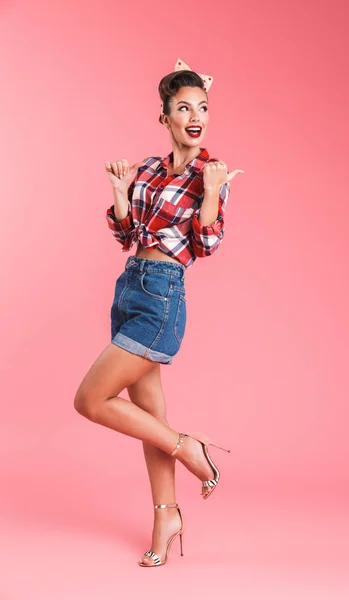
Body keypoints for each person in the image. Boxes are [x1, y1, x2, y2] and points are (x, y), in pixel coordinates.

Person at [73, 63, 244, 567]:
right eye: (184, 108)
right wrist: (121, 195)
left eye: (203, 107)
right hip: (129, 288)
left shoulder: (209, 174)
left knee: (90, 399)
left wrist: (212, 192)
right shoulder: (149, 168)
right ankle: (166, 513)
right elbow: (128, 238)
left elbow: (206, 244)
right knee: (149, 419)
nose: (196, 117)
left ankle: (190, 448)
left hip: (163, 295)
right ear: (164, 116)